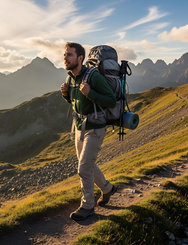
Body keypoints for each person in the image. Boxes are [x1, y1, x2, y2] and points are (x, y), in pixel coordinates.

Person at [60, 42, 118, 221]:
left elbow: (111, 100)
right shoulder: (71, 78)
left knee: (83, 167)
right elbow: (78, 103)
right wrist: (65, 94)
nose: (65, 58)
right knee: (89, 164)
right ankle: (107, 189)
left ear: (80, 58)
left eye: (69, 55)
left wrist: (90, 92)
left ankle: (87, 206)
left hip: (95, 128)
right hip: (80, 127)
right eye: (65, 55)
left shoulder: (93, 76)